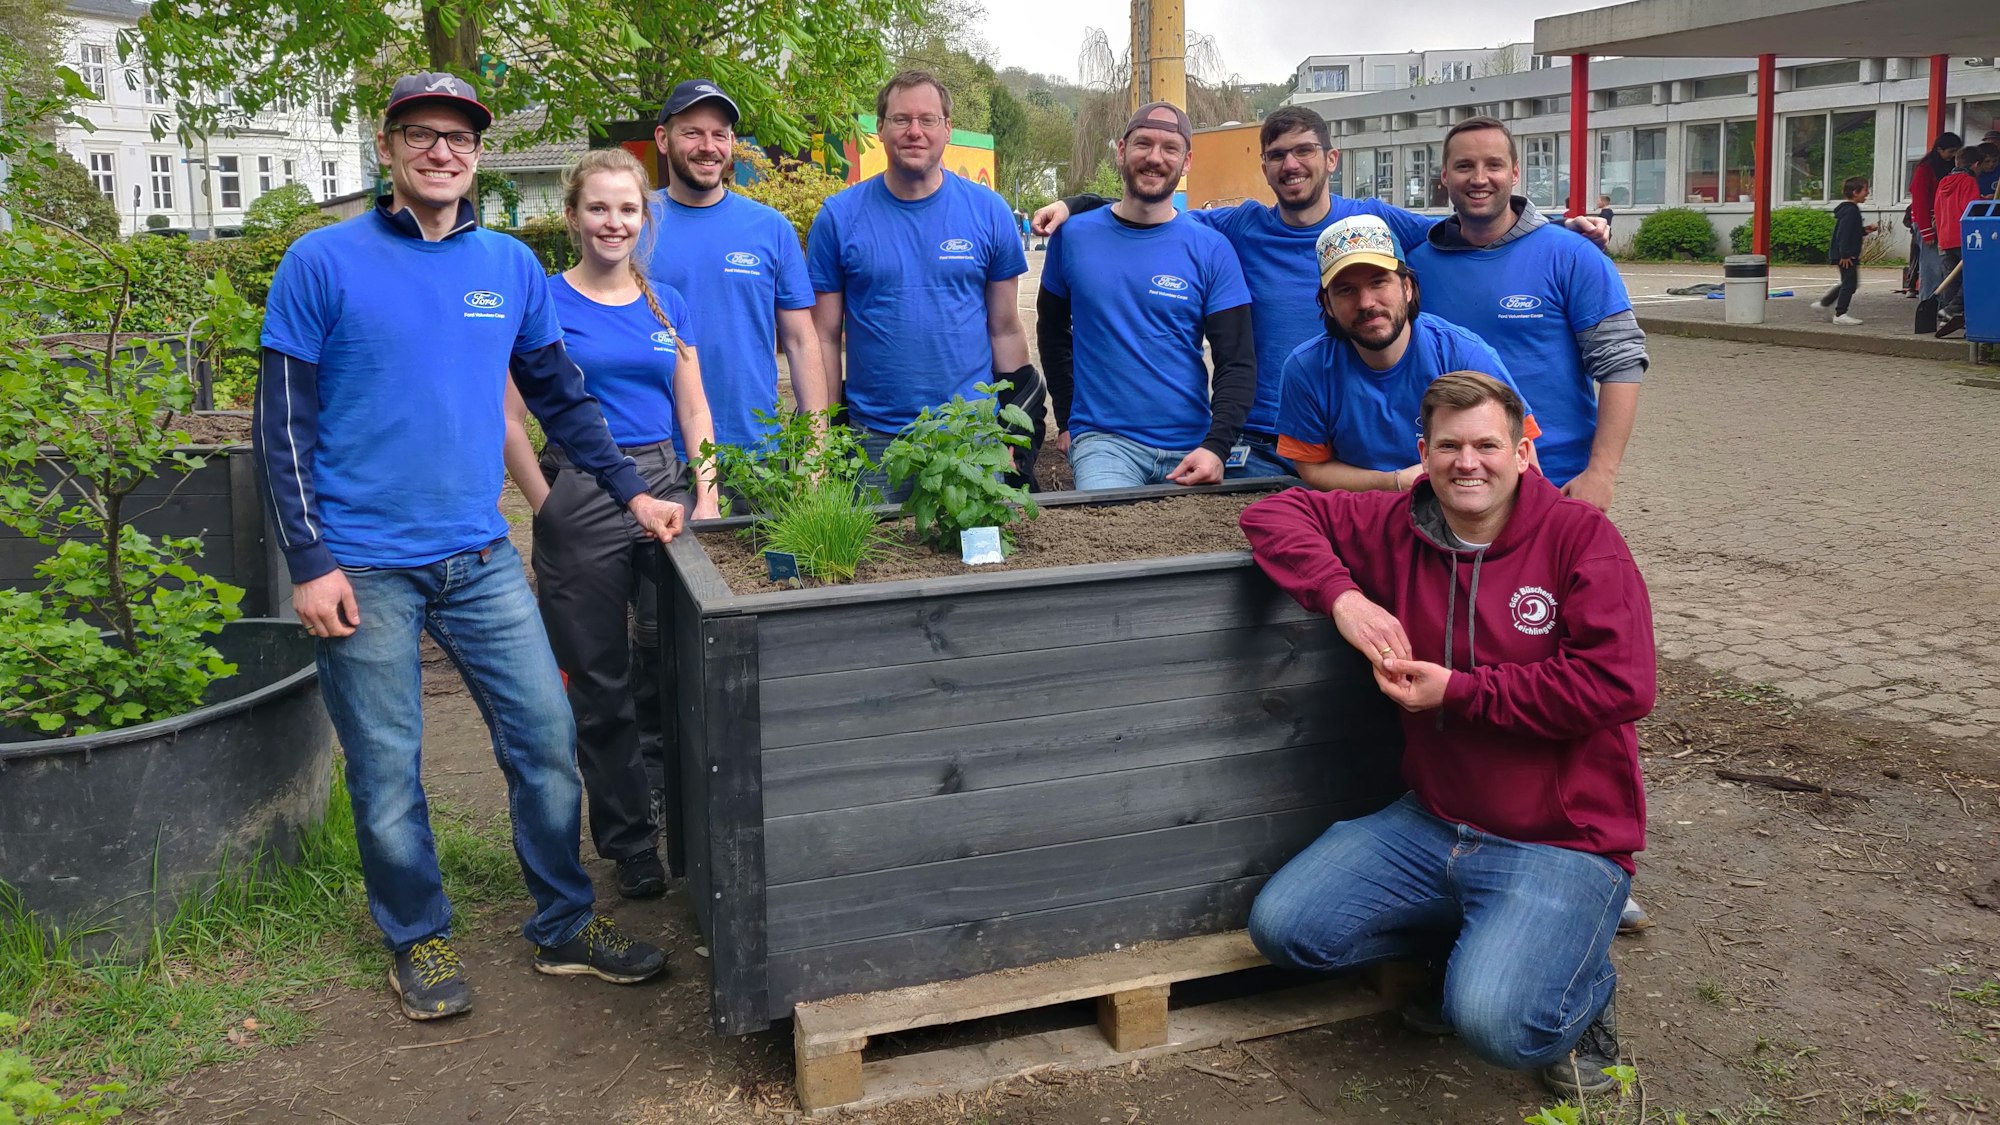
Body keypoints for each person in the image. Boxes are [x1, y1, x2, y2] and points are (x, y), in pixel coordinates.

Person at [254, 73, 673, 1021]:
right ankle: (417, 934)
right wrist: (309, 562)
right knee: (388, 761)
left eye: (460, 137)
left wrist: (633, 494)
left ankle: (564, 923)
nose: (443, 150)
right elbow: (281, 424)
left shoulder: (510, 269)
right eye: (422, 134)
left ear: (479, 153)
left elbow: (562, 394)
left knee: (544, 734)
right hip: (362, 563)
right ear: (388, 145)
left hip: (479, 553)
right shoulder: (321, 262)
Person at [1239, 371, 1655, 1100]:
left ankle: (1582, 990)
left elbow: (1621, 684)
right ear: (1423, 453)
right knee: (1287, 928)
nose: (1470, 463)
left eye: (1489, 444)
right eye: (1450, 446)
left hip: (1560, 838)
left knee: (1494, 1024)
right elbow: (1276, 513)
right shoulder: (1400, 523)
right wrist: (1344, 600)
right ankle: (1472, 942)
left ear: (1524, 452)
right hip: (1434, 820)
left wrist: (1461, 692)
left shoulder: (1581, 539)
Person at [1033, 106, 1609, 481]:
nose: (1292, 164)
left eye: (1304, 150)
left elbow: (1466, 224)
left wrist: (1558, 228)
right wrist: (1075, 206)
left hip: (1348, 438)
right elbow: (1148, 213)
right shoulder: (1236, 227)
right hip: (1258, 438)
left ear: (1330, 159)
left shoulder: (1376, 223)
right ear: (1264, 167)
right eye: (1278, 155)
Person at [500, 147, 721, 902]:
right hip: (581, 484)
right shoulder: (545, 304)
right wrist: (546, 500)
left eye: (627, 209)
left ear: (643, 218)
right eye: (598, 208)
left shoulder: (667, 303)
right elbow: (510, 415)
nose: (613, 222)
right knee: (601, 678)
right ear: (572, 217)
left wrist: (710, 494)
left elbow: (694, 407)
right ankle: (630, 840)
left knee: (675, 661)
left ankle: (684, 814)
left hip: (665, 484)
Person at [807, 70, 1036, 500]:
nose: (915, 131)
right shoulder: (839, 217)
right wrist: (827, 431)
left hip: (969, 437)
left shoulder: (989, 212)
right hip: (873, 439)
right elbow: (822, 335)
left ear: (948, 129)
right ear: (880, 129)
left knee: (980, 562)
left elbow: (1005, 328)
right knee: (878, 564)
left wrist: (1011, 426)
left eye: (928, 120)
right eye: (901, 119)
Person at [1410, 116, 1647, 514]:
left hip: (1556, 483)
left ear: (1515, 173)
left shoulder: (1572, 255)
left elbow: (1622, 364)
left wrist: (1601, 474)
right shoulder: (1417, 268)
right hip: (1452, 483)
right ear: (1445, 176)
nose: (1479, 178)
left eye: (1494, 165)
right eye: (1465, 166)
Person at [1036, 101, 1253, 490]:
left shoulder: (1212, 249)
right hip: (1105, 444)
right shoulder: (1072, 237)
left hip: (1191, 446)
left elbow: (1236, 361)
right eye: (1143, 145)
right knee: (1109, 540)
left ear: (1186, 163)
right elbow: (1052, 332)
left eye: (1170, 149)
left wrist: (1217, 448)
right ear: (1121, 151)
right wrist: (1067, 419)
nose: (1155, 158)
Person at [1278, 214, 1540, 491]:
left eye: (1378, 282)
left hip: (1463, 505)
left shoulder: (1463, 355)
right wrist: (1396, 483)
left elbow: (1521, 455)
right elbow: (1312, 466)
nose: (1366, 302)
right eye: (1346, 290)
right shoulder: (1307, 369)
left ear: (1407, 288)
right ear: (1328, 305)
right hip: (1363, 510)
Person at [644, 78, 825, 457]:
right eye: (692, 133)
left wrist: (815, 449)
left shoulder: (770, 228)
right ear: (663, 139)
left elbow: (800, 341)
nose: (708, 147)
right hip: (659, 455)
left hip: (756, 453)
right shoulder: (636, 225)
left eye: (719, 135)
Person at [1935, 143, 1998, 339]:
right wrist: (1984, 202)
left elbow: (1938, 209)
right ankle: (1953, 310)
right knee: (1973, 276)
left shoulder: (1944, 182)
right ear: (1975, 165)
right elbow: (1969, 209)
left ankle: (1945, 316)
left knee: (1951, 279)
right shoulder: (1968, 181)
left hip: (1945, 236)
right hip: (1965, 236)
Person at [1908, 131, 1963, 331]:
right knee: (1931, 270)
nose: (1952, 155)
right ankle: (1927, 309)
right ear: (1939, 150)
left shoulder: (1951, 168)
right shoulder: (1925, 169)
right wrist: (1926, 232)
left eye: (1956, 152)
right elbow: (1919, 201)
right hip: (1928, 224)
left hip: (1943, 223)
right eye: (1950, 151)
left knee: (1944, 270)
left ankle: (1942, 309)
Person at [1812, 176, 1875, 327]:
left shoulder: (1848, 210)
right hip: (1846, 255)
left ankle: (1824, 303)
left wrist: (1865, 230)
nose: (1867, 193)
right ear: (1855, 192)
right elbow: (1844, 233)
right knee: (1849, 283)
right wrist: (1845, 254)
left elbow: (1851, 231)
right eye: (1865, 190)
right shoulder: (1851, 211)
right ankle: (1840, 314)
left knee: (1850, 283)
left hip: (1844, 253)